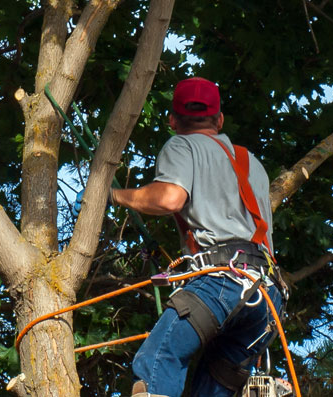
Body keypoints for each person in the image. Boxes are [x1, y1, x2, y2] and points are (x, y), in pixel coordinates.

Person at [109, 77, 286, 397]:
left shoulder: (182, 144)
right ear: (219, 119)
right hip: (268, 296)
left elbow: (170, 198)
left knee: (157, 360)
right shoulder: (252, 164)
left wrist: (114, 196)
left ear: (173, 120)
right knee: (213, 388)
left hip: (223, 281)